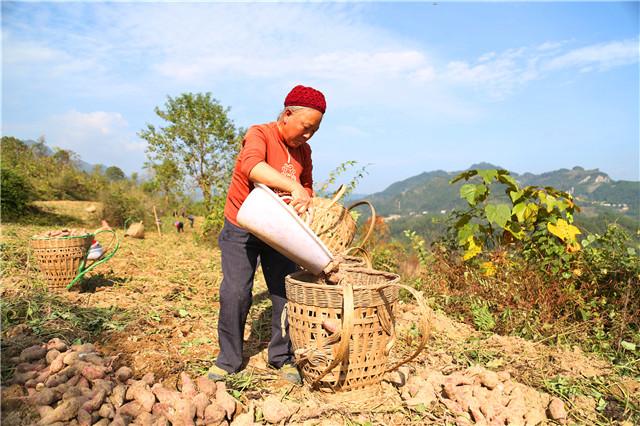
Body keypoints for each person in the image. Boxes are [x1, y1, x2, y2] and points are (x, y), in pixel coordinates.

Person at [208, 85, 325, 384]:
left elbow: (307, 185)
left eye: (315, 130)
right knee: (235, 292)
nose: (308, 135)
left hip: (279, 230)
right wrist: (293, 187)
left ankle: (281, 357)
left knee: (284, 292)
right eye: (306, 127)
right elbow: (252, 167)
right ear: (288, 114)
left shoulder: (304, 151)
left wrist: (304, 195)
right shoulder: (260, 133)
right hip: (242, 225)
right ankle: (229, 360)